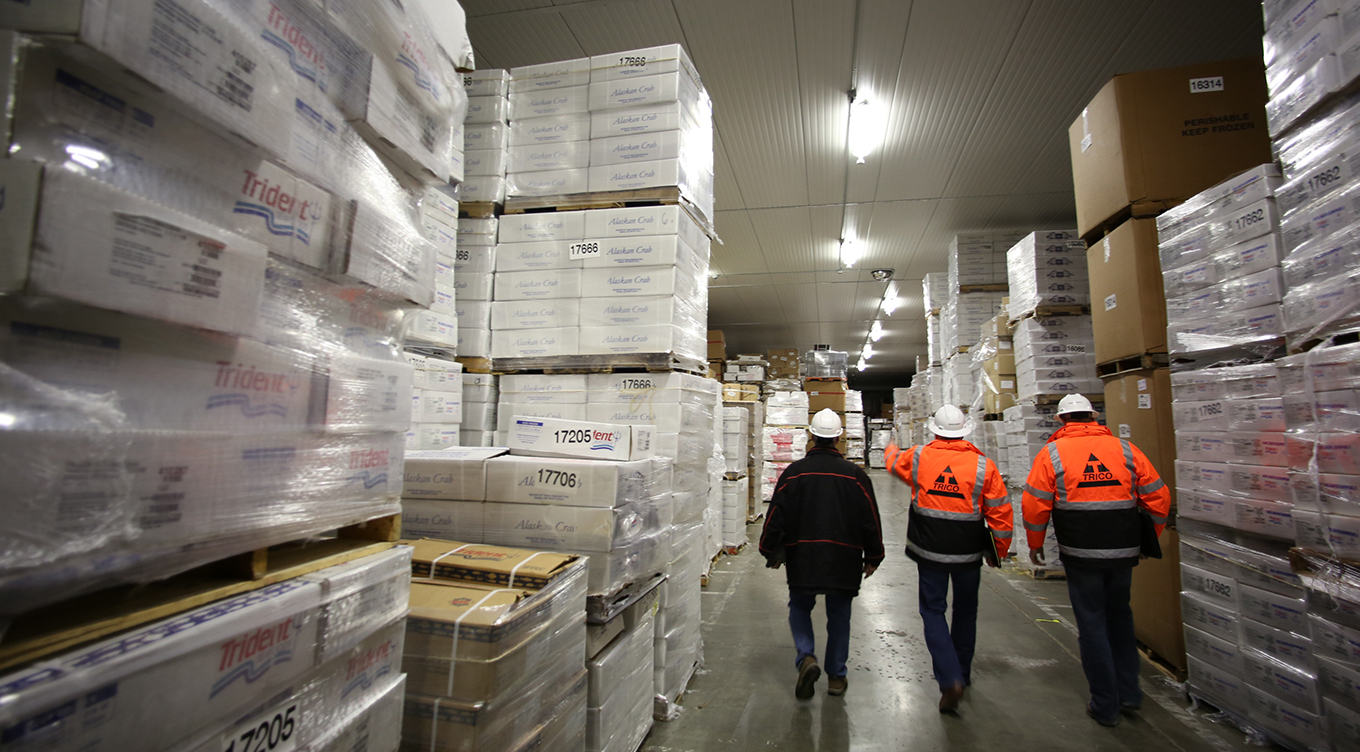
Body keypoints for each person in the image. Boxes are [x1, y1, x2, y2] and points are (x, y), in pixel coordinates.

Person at [1020, 394, 1171, 727]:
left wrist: (1034, 544)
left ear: (1062, 421)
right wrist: (1148, 538)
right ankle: (1130, 693)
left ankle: (1104, 704)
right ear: (1093, 417)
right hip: (1123, 551)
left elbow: (1035, 504)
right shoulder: (1125, 449)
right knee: (1120, 617)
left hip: (1080, 552)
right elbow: (1159, 496)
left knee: (1091, 622)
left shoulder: (1052, 454)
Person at [884, 405, 1012, 713]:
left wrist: (890, 443)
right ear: (965, 431)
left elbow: (892, 463)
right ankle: (963, 674)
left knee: (933, 611)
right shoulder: (984, 466)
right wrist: (999, 551)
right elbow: (1000, 512)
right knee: (966, 612)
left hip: (930, 551)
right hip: (968, 554)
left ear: (934, 430)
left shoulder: (918, 457)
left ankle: (950, 677)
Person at [759, 408, 885, 700]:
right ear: (839, 438)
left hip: (803, 555)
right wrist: (874, 555)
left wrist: (769, 549)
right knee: (840, 614)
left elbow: (776, 515)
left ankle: (806, 658)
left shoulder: (794, 473)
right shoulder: (856, 476)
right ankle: (837, 677)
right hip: (845, 558)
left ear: (810, 437)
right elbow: (871, 519)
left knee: (800, 606)